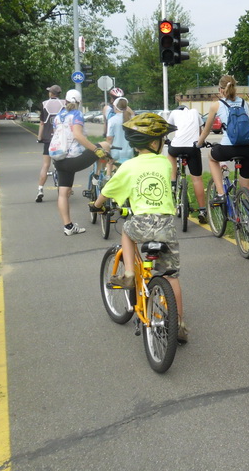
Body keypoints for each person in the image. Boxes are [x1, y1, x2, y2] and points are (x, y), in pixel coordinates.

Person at [90, 113, 189, 344]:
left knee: (126, 231)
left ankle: (129, 274)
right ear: (155, 143)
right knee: (171, 276)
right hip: (166, 225)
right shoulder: (164, 163)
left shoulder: (128, 166)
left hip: (141, 223)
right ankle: (179, 325)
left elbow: (108, 191)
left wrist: (96, 205)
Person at [51, 89, 111, 236]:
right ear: (79, 102)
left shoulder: (58, 116)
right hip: (74, 160)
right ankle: (98, 176)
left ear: (65, 101)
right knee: (105, 145)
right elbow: (77, 135)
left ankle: (68, 227)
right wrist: (95, 150)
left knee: (63, 193)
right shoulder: (76, 114)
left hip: (59, 160)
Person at [197, 75, 249, 202]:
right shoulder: (244, 103)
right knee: (246, 186)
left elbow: (206, 131)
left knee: (211, 158)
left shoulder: (216, 105)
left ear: (220, 90)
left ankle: (221, 194)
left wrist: (198, 143)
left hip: (229, 147)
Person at [167, 105, 208, 224]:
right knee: (197, 180)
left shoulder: (174, 113)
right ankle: (202, 210)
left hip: (176, 147)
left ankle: (173, 181)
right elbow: (200, 132)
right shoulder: (195, 112)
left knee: (171, 154)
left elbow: (167, 128)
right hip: (193, 147)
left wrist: (167, 140)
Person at [36, 85, 65, 202]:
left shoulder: (44, 104)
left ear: (51, 93)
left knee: (45, 165)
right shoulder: (64, 103)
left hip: (48, 139)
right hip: (61, 139)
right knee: (64, 164)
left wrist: (39, 137)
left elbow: (42, 123)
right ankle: (66, 188)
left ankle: (40, 189)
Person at [105, 96, 134, 176]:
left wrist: (107, 149)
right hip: (129, 152)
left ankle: (108, 177)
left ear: (115, 107)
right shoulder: (131, 119)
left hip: (116, 152)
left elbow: (109, 138)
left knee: (110, 164)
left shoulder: (112, 120)